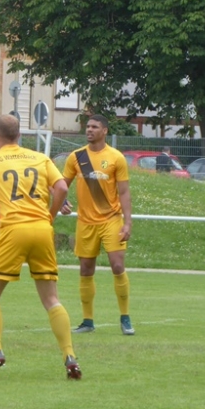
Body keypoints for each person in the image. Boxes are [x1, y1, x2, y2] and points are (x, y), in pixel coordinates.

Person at [0, 115, 81, 379]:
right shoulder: (39, 158)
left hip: (12, 230)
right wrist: (50, 215)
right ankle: (69, 355)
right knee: (51, 298)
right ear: (19, 136)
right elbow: (62, 188)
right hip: (42, 230)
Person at [62, 114, 135, 336]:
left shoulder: (116, 158)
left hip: (111, 219)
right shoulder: (76, 157)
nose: (89, 130)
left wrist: (128, 222)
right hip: (85, 222)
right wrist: (62, 202)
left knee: (117, 266)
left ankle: (125, 317)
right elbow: (61, 185)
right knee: (86, 269)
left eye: (95, 127)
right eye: (88, 126)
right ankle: (87, 321)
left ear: (104, 131)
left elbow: (124, 192)